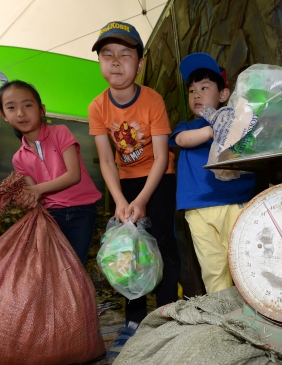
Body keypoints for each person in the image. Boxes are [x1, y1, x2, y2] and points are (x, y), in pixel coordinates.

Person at [88, 21, 181, 361]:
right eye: (107, 55)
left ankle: (169, 314)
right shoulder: (97, 107)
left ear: (139, 64)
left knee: (164, 241)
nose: (115, 62)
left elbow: (160, 156)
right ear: (99, 62)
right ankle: (134, 320)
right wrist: (121, 201)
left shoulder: (152, 100)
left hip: (159, 176)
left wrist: (142, 200)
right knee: (129, 249)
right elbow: (106, 161)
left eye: (125, 55)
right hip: (124, 180)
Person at [168, 52, 256, 294]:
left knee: (244, 260)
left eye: (204, 87)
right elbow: (183, 140)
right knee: (212, 267)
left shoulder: (234, 123)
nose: (196, 94)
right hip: (197, 208)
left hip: (234, 202)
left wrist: (232, 125)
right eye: (191, 90)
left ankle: (253, 309)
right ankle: (221, 311)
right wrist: (210, 131)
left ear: (223, 94)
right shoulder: (186, 127)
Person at [0, 80, 102, 266]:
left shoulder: (60, 133)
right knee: (53, 267)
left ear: (41, 109)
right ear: (3, 115)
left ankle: (78, 296)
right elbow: (35, 194)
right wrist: (24, 198)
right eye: (11, 107)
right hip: (52, 214)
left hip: (82, 210)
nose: (21, 113)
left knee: (75, 265)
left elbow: (73, 175)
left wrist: (36, 190)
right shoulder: (18, 159)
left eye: (28, 105)